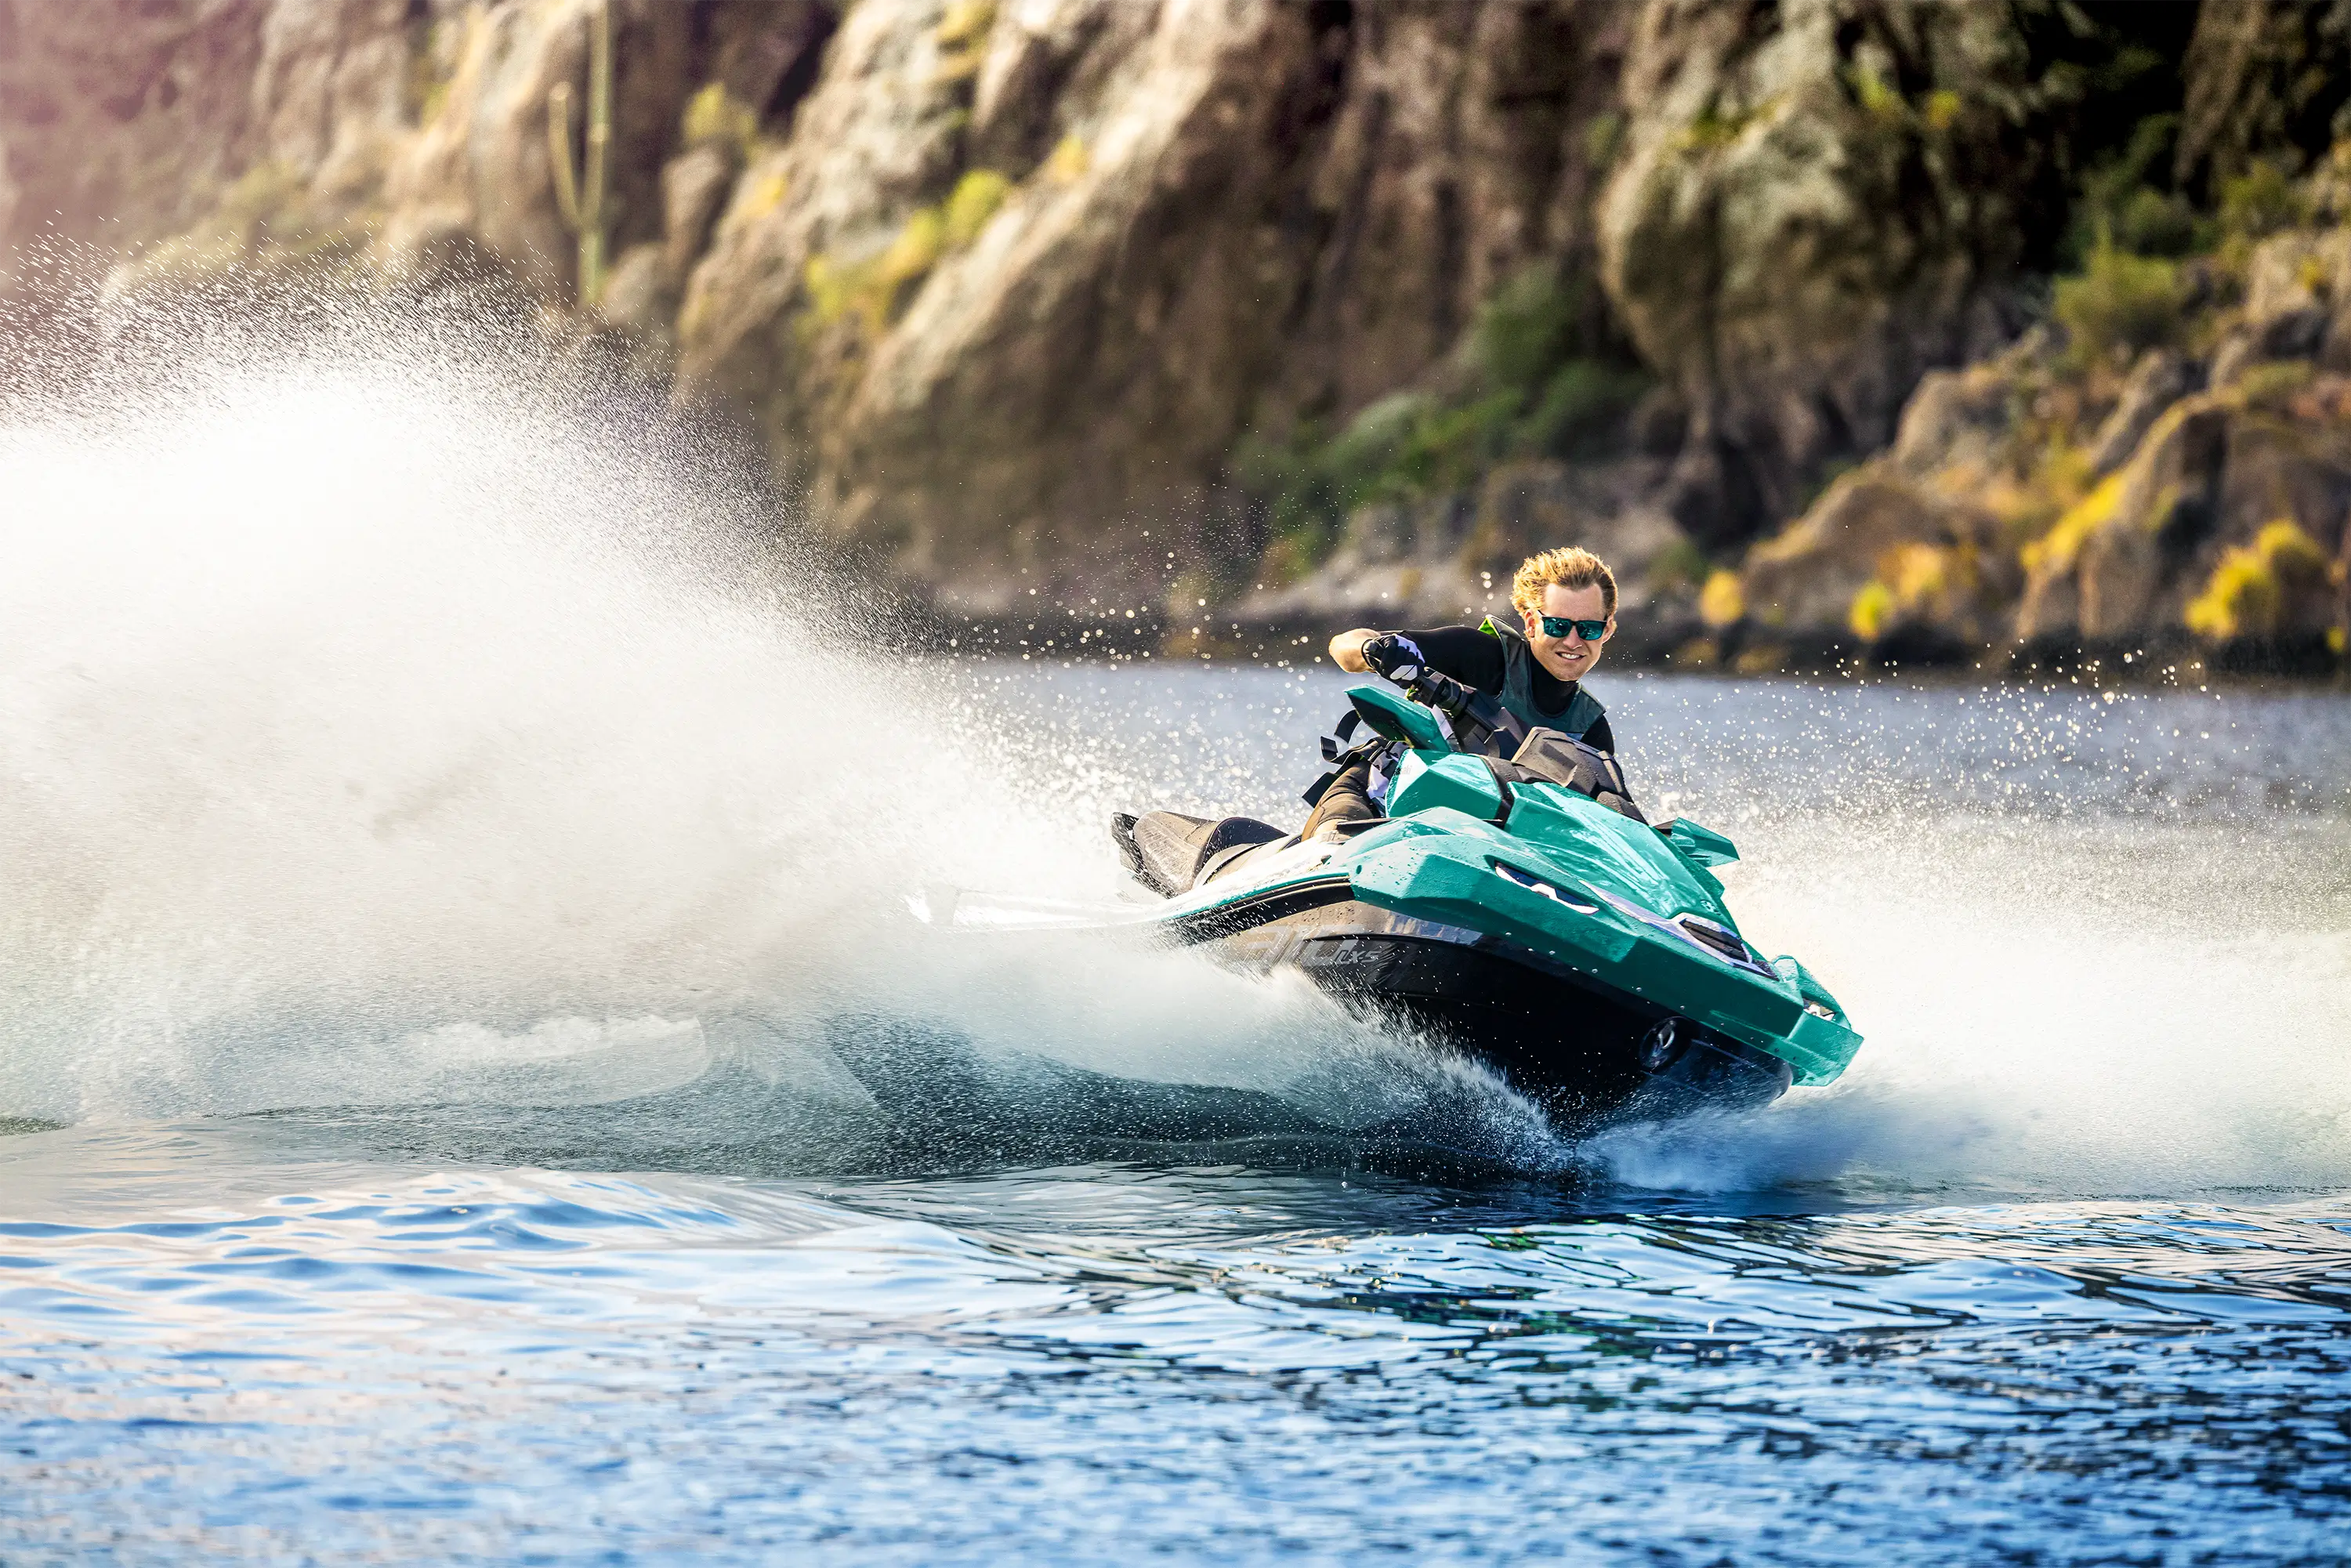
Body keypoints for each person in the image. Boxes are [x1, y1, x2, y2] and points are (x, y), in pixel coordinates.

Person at [1302, 545, 1622, 836]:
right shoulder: (1476, 654)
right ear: (1530, 623)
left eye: (1589, 628)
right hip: (1376, 795)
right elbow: (1342, 647)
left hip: (1470, 836)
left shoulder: (1592, 733)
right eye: (1557, 626)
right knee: (1336, 840)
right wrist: (1371, 648)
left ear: (1607, 630)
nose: (1572, 641)